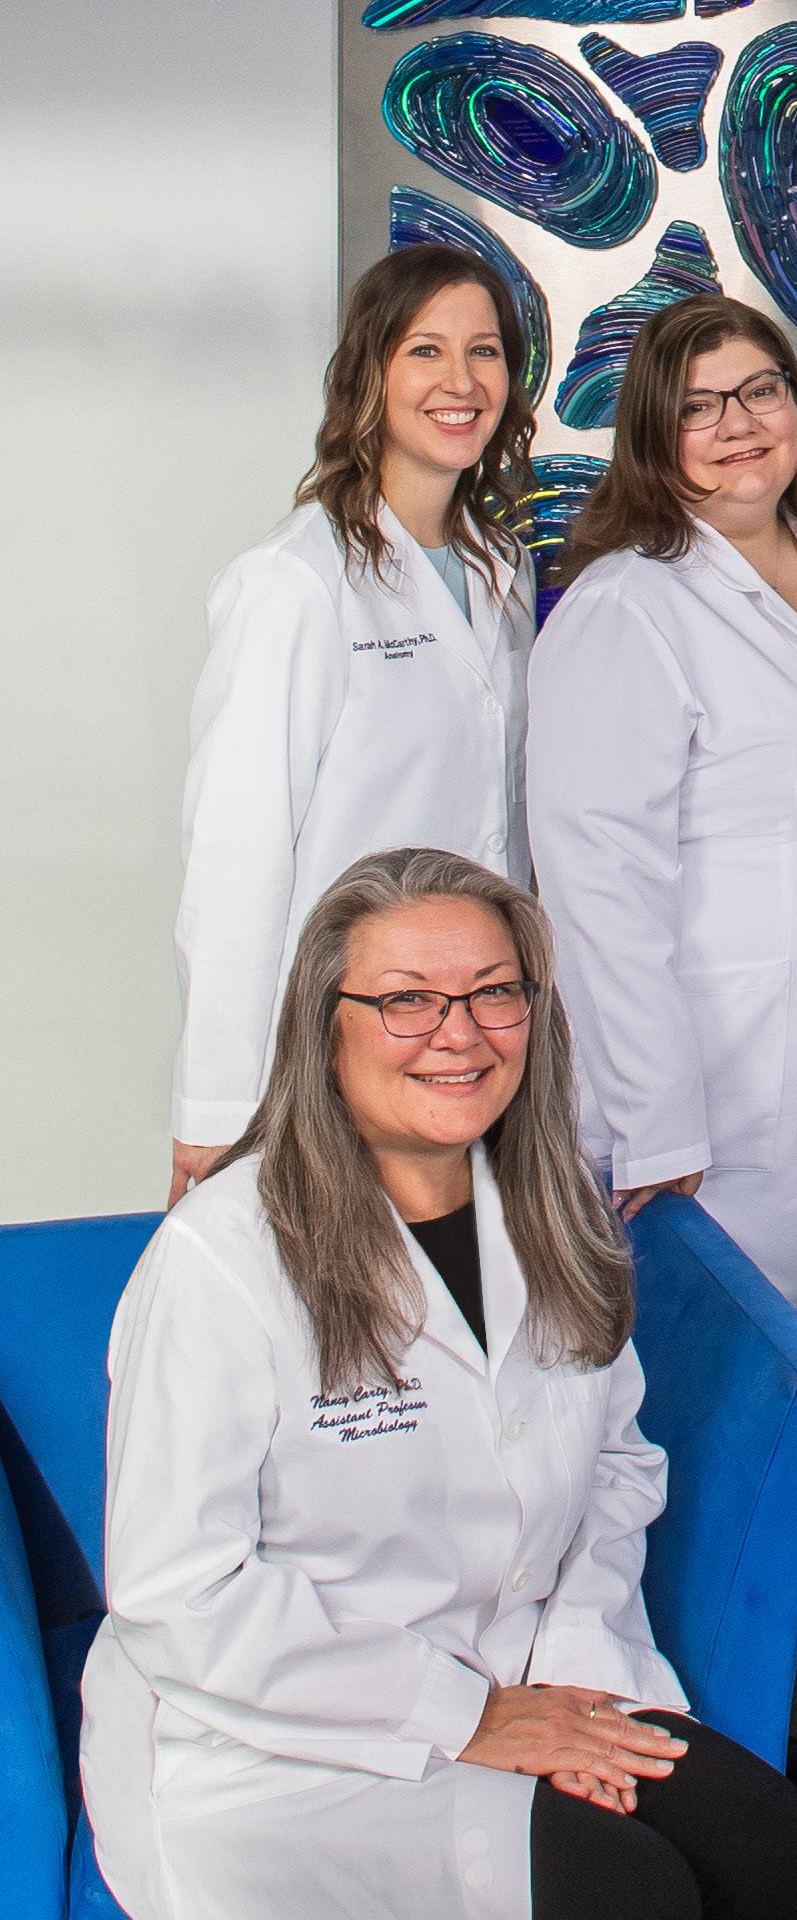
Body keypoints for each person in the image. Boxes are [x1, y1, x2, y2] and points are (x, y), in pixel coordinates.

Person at [81, 848, 797, 1920]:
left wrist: (564, 1680)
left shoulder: (547, 1210)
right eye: (407, 999)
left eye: (492, 992)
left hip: (526, 1666)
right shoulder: (224, 1262)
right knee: (621, 1911)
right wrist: (467, 1716)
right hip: (282, 1722)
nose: (457, 1031)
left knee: (763, 1852)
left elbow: (616, 1469)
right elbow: (178, 1593)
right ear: (326, 1022)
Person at [525, 296, 797, 1322]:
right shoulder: (625, 606)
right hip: (716, 1089)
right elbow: (599, 888)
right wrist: (652, 1118)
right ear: (652, 436)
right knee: (730, 1360)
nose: (739, 423)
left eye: (760, 390)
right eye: (699, 406)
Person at [171, 246, 536, 1207]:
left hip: (468, 1036)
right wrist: (219, 1107)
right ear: (368, 373)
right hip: (340, 1040)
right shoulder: (295, 581)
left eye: (485, 351)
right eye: (426, 350)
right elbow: (235, 857)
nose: (461, 381)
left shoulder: (501, 568)